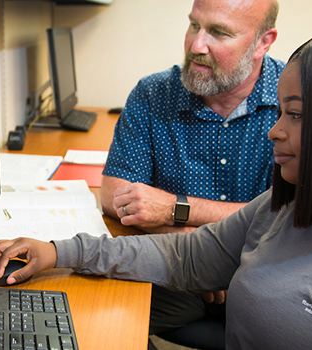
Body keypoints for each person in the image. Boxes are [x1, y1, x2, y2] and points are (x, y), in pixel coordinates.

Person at [0, 20, 312, 348]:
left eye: (295, 115)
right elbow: (186, 255)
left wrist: (174, 210)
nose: (274, 131)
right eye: (280, 112)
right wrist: (61, 250)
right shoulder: (286, 205)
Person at [102, 0, 282, 341]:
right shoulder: (153, 94)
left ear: (263, 42)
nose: (196, 46)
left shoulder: (296, 101)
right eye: (194, 26)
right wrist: (194, 249)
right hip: (177, 272)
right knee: (94, 317)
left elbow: (291, 218)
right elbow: (115, 196)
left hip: (262, 278)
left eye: (218, 32)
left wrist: (173, 209)